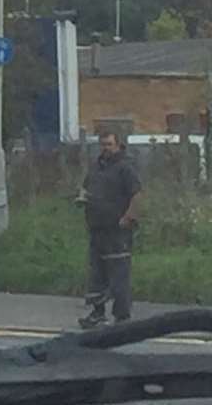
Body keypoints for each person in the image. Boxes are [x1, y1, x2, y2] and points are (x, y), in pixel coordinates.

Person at [76, 131, 142, 329]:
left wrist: (129, 217)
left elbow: (137, 194)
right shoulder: (96, 168)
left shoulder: (125, 168)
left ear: (118, 145)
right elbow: (86, 188)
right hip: (97, 229)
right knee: (97, 273)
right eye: (102, 144)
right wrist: (82, 197)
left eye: (109, 144)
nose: (105, 148)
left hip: (117, 230)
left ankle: (122, 317)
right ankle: (97, 313)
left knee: (119, 273)